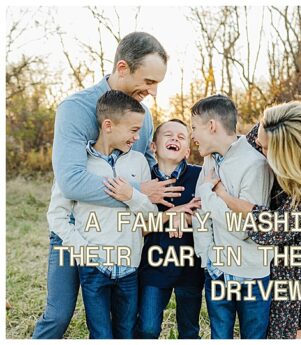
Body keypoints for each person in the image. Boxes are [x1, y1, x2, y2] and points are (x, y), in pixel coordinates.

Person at [35, 31, 182, 339]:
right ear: (123, 68)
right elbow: (73, 182)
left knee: (120, 322)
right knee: (59, 315)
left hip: (118, 237)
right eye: (149, 81)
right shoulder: (75, 109)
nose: (153, 92)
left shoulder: (145, 120)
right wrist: (135, 194)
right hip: (73, 230)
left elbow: (142, 175)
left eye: (158, 84)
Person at [212, 101, 301, 339]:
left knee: (286, 328)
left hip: (296, 244)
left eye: (265, 149)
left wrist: (224, 196)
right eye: (259, 144)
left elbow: (275, 229)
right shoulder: (262, 133)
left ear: (291, 153)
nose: (258, 150)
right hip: (257, 240)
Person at [46, 90, 157, 338]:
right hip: (93, 268)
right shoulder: (78, 165)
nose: (137, 137)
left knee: (126, 332)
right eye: (133, 130)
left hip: (129, 267)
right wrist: (85, 252)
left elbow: (150, 215)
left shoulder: (138, 162)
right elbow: (57, 217)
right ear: (108, 125)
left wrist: (132, 195)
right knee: (101, 335)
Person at [190, 95, 274, 339]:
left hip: (250, 276)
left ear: (212, 126)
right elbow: (200, 213)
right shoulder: (209, 160)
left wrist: (208, 193)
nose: (192, 135)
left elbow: (244, 228)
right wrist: (206, 259)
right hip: (217, 272)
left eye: (194, 128)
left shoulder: (254, 165)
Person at [134, 119, 204, 339]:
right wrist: (169, 216)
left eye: (181, 137)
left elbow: (209, 219)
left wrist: (186, 218)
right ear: (153, 146)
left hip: (190, 267)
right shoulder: (144, 181)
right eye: (168, 135)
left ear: (187, 151)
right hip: (154, 267)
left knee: (189, 330)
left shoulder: (199, 176)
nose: (175, 139)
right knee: (148, 328)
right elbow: (137, 228)